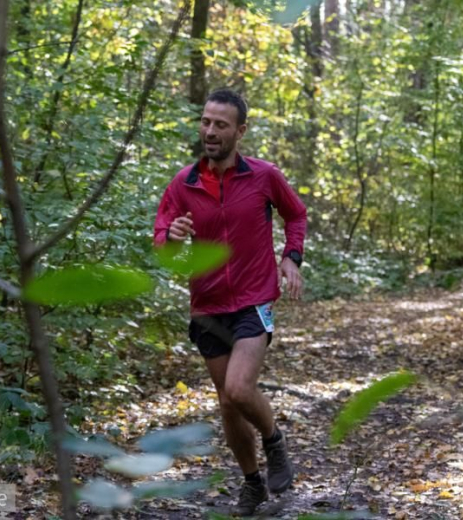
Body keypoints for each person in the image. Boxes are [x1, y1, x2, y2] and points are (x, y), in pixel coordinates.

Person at [153, 88, 307, 516]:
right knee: (226, 401)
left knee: (240, 389)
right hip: (207, 305)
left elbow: (296, 213)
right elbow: (162, 241)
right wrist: (173, 238)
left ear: (240, 130)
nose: (210, 131)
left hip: (253, 298)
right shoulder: (183, 184)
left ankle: (274, 441)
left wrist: (290, 257)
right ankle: (253, 484)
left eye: (220, 124)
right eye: (206, 122)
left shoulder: (263, 176)